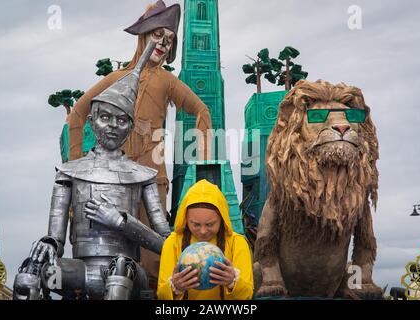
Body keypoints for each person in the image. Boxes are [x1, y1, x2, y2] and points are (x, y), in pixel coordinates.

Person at [67, 0, 212, 287]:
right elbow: (77, 115)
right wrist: (76, 169)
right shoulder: (115, 79)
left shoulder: (167, 81)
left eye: (169, 40)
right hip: (111, 181)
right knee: (108, 249)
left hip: (152, 181)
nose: (163, 44)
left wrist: (202, 164)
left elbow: (202, 111)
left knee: (153, 256)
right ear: (143, 35)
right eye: (158, 35)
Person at [13, 42, 171, 300]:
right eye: (105, 117)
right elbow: (57, 237)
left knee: (120, 270)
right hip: (79, 272)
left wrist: (121, 222)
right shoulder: (69, 173)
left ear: (130, 128)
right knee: (32, 273)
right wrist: (49, 243)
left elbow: (167, 244)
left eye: (121, 121)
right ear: (92, 120)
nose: (112, 126)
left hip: (127, 273)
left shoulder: (143, 176)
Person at [157, 179, 254, 300]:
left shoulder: (237, 242)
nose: (203, 231)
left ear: (222, 218)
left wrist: (232, 282)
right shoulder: (172, 243)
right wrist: (174, 287)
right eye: (196, 224)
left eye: (210, 224)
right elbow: (161, 294)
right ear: (185, 219)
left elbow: (247, 295)